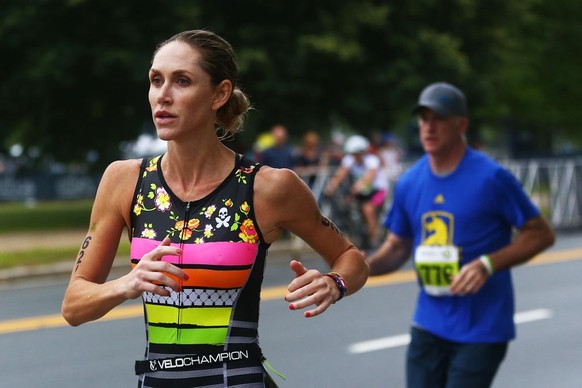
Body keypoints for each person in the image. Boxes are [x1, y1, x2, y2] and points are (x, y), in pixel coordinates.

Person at [61, 29, 369, 388]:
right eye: (156, 80)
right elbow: (73, 305)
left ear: (219, 94)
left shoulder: (268, 188)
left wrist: (335, 283)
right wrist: (126, 284)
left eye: (182, 81)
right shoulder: (124, 180)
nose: (163, 95)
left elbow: (352, 259)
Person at [366, 82, 555, 388]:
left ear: (461, 124)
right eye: (423, 118)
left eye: (438, 118)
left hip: (483, 327)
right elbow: (398, 247)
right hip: (429, 322)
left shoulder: (491, 178)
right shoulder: (410, 182)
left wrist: (487, 264)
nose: (428, 127)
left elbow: (541, 234)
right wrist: (358, 267)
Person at [324, 134, 388, 250]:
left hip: (378, 190)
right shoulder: (349, 160)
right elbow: (340, 174)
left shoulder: (372, 160)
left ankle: (375, 238)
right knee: (346, 204)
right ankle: (354, 234)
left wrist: (358, 186)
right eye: (353, 154)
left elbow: (369, 177)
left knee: (368, 209)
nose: (356, 156)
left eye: (358, 153)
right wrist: (331, 187)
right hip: (362, 192)